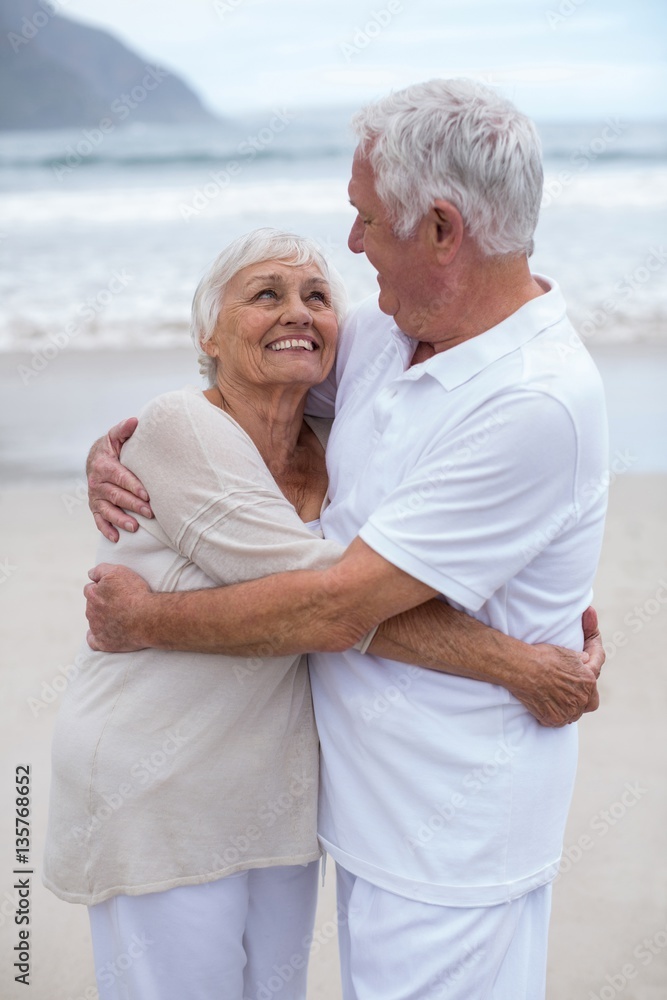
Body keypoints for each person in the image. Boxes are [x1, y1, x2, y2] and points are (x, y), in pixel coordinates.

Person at [85, 80, 608, 1000]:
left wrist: (150, 622)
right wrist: (121, 447)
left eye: (367, 219)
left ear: (442, 230)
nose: (355, 243)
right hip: (349, 814)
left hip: (454, 842)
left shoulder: (533, 402)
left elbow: (335, 604)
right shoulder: (384, 337)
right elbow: (246, 392)